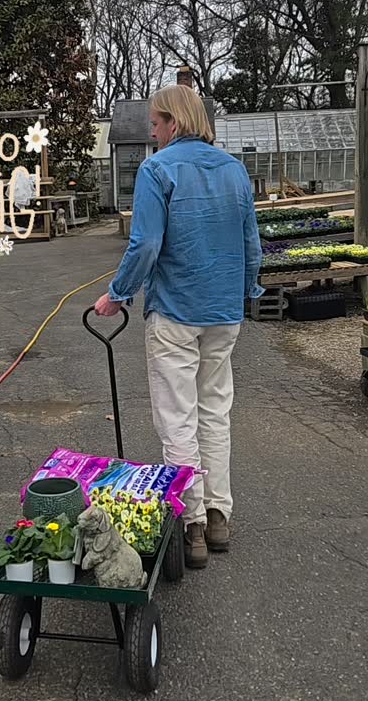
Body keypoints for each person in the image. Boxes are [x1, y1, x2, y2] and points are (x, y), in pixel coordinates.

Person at [94, 85, 262, 569]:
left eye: (156, 120)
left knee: (178, 419)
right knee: (215, 412)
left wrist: (117, 294)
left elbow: (145, 245)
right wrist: (248, 292)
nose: (151, 130)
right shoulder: (234, 170)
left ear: (174, 121)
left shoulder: (157, 169)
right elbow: (252, 243)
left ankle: (190, 524)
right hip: (224, 312)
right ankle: (218, 515)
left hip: (175, 312)